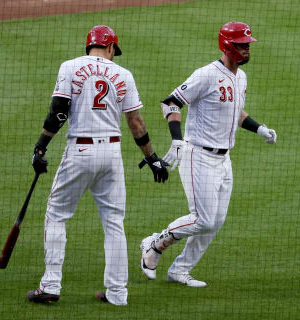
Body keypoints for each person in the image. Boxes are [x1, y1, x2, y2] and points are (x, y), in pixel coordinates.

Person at [27, 25, 168, 306]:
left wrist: (41, 147)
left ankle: (51, 286)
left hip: (79, 151)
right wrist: (152, 157)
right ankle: (117, 294)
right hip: (112, 154)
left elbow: (58, 111)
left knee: (57, 215)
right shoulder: (123, 74)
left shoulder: (69, 67)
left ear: (89, 45)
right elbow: (136, 122)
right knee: (114, 223)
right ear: (111, 47)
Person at [139, 22, 277, 287]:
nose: (247, 50)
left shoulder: (241, 78)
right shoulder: (206, 75)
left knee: (215, 221)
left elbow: (234, 111)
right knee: (203, 219)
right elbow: (170, 102)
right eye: (242, 45)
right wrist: (177, 140)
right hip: (198, 155)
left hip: (224, 159)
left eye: (248, 45)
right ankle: (155, 244)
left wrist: (259, 128)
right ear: (227, 46)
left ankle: (180, 270)